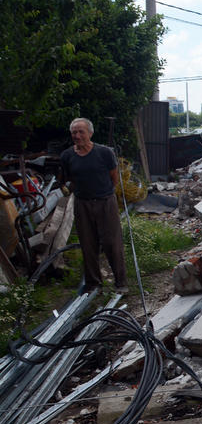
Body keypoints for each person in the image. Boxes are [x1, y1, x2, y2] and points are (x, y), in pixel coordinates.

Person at [60, 117, 128, 293]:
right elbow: (69, 179)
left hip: (105, 202)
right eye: (74, 132)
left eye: (81, 131)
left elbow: (114, 178)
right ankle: (93, 283)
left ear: (90, 133)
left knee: (112, 242)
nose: (77, 135)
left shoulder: (104, 153)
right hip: (82, 204)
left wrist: (103, 194)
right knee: (88, 244)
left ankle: (121, 283)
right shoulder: (67, 156)